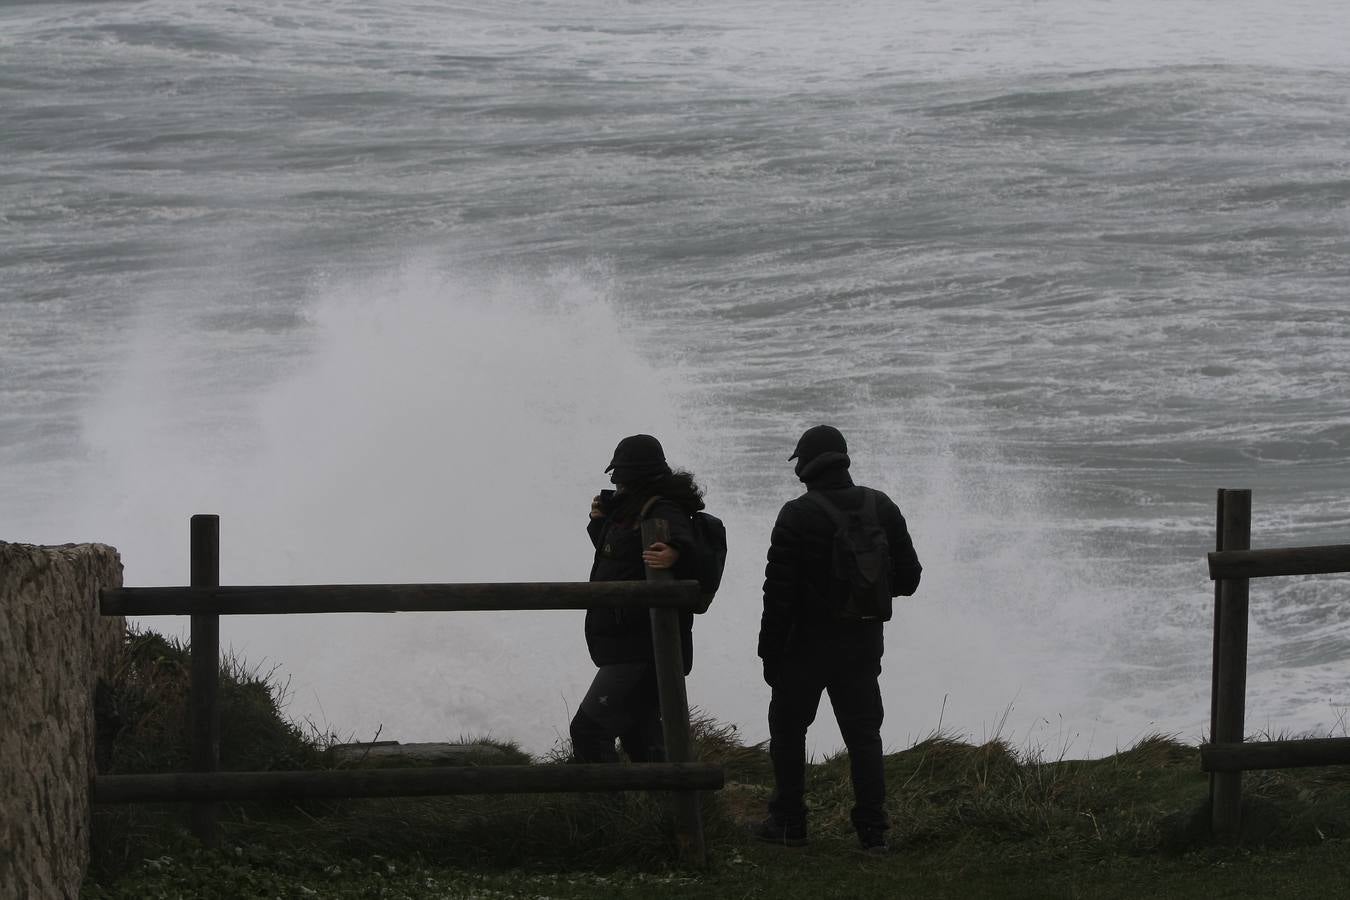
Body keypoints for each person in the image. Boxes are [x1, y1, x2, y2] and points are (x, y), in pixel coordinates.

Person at [754, 425, 922, 853]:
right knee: (864, 736)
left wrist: (768, 653)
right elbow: (910, 579)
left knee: (789, 732)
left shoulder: (796, 514)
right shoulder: (880, 505)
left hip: (803, 647)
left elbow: (778, 596)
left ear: (807, 466)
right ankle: (873, 832)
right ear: (843, 459)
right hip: (862, 642)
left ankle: (789, 824)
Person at [569, 434, 706, 763]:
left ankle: (608, 809)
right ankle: (664, 808)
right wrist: (600, 524)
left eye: (619, 475)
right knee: (640, 736)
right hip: (632, 643)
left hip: (639, 647)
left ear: (633, 476)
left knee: (588, 730)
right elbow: (622, 560)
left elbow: (688, 548)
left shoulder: (661, 508)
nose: (615, 483)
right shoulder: (633, 510)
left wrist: (676, 553)